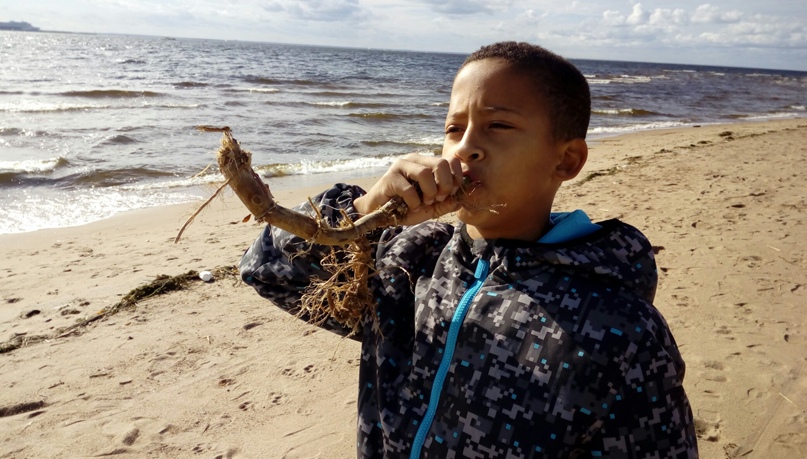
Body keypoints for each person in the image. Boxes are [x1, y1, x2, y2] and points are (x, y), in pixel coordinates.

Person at [240, 41, 698, 458]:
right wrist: (366, 207)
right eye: (454, 128)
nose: (466, 147)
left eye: (498, 125)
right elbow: (267, 269)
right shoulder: (407, 265)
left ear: (566, 160)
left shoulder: (618, 328)